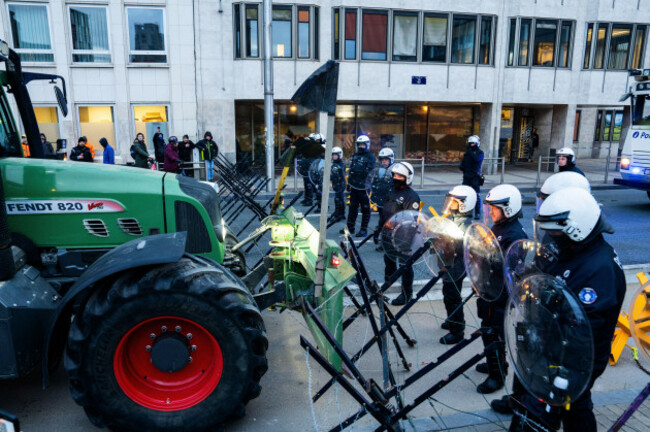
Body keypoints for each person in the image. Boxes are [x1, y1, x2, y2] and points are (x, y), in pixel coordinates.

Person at [509, 188, 625, 432]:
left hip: (571, 359)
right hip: (551, 348)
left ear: (575, 228)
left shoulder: (598, 269)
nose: (549, 237)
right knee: (577, 407)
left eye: (554, 232)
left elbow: (583, 328)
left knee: (549, 411)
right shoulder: (574, 251)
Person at [476, 184, 527, 394]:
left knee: (494, 333)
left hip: (500, 294)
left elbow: (510, 267)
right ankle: (492, 361)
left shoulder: (515, 235)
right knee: (486, 329)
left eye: (494, 208)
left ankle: (497, 375)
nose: (491, 212)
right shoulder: (498, 227)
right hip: (489, 289)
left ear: (508, 208)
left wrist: (485, 257)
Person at [438, 185, 477, 345]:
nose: (450, 203)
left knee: (453, 297)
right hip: (449, 264)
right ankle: (451, 319)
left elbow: (463, 247)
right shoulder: (454, 219)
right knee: (448, 294)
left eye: (453, 201)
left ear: (463, 204)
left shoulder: (466, 225)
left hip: (457, 267)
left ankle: (457, 331)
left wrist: (445, 241)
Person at [386, 162, 421, 306]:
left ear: (407, 178)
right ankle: (389, 283)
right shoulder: (392, 191)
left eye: (400, 175)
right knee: (388, 260)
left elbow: (410, 220)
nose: (396, 178)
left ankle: (407, 294)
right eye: (394, 175)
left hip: (403, 235)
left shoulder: (411, 196)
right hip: (388, 233)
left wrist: (405, 241)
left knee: (405, 266)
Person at [346, 135, 376, 237]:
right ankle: (350, 227)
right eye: (359, 144)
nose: (361, 146)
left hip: (364, 188)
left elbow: (370, 171)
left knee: (365, 209)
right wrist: (349, 183)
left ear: (367, 145)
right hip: (354, 186)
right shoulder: (355, 155)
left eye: (363, 144)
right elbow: (352, 169)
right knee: (352, 208)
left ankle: (364, 230)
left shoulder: (370, 157)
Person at [371, 148, 395, 248]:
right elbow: (376, 183)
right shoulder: (380, 171)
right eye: (382, 160)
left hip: (391, 202)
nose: (384, 161)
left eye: (386, 159)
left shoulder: (395, 170)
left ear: (391, 159)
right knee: (382, 220)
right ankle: (379, 234)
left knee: (388, 223)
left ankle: (386, 243)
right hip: (381, 201)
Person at [459, 135, 484, 219]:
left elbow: (476, 159)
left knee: (476, 195)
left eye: (473, 143)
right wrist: (462, 167)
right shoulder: (467, 153)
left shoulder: (480, 152)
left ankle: (477, 212)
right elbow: (463, 164)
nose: (471, 145)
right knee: (466, 194)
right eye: (470, 143)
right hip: (467, 176)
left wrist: (470, 153)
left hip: (475, 177)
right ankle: (467, 211)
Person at [330, 146, 347, 222]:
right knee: (339, 198)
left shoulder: (341, 164)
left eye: (336, 155)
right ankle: (341, 213)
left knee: (338, 199)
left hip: (340, 184)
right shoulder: (333, 163)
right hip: (335, 183)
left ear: (340, 155)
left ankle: (339, 214)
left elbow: (341, 174)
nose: (334, 156)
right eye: (333, 155)